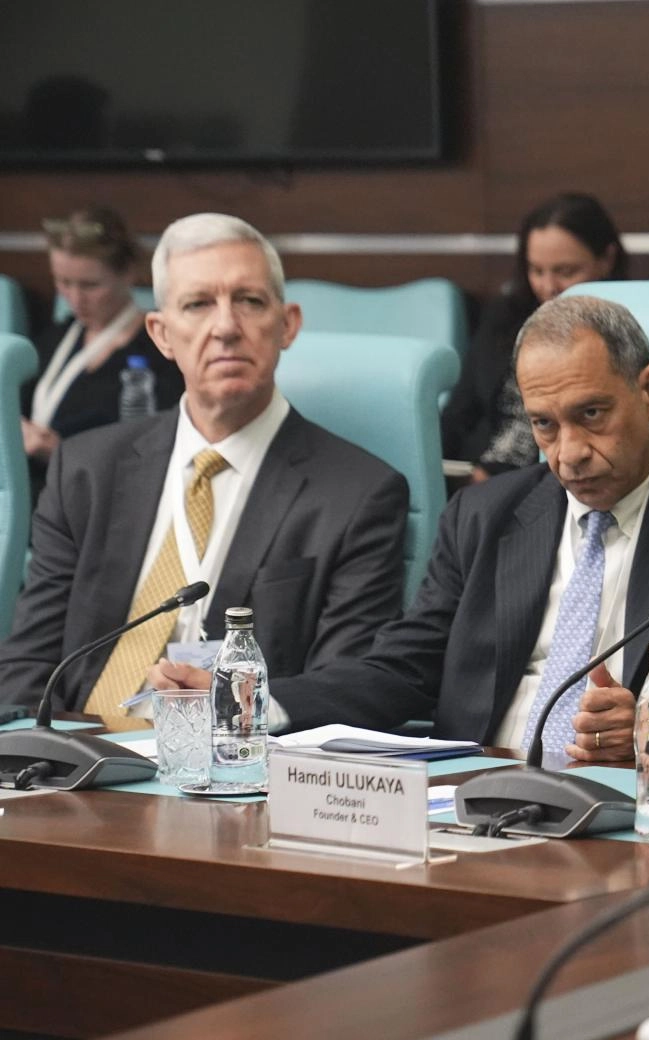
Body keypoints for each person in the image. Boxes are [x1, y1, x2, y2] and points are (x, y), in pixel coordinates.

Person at [174, 294, 649, 763]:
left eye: (592, 415)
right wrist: (259, 699)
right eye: (544, 425)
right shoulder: (484, 515)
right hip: (476, 794)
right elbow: (404, 667)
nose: (568, 454)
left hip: (637, 799)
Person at [0, 213, 409, 729]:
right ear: (161, 334)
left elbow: (350, 680)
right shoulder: (86, 470)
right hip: (76, 749)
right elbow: (29, 661)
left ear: (287, 325)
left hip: (226, 757)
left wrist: (241, 705)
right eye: (198, 304)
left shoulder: (357, 494)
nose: (226, 327)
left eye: (249, 301)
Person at [441, 193, 627, 472]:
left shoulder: (624, 331)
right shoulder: (504, 317)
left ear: (606, 260)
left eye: (565, 271)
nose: (548, 287)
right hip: (473, 471)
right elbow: (459, 412)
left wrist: (494, 475)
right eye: (537, 271)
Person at [21, 207, 184, 493]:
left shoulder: (161, 353)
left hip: (101, 499)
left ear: (127, 273)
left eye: (90, 285)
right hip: (31, 492)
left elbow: (150, 457)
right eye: (63, 282)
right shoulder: (54, 339)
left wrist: (60, 452)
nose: (75, 298)